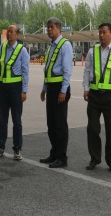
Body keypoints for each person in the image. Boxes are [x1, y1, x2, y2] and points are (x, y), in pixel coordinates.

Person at [83, 23, 111, 173]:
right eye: (100, 32)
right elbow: (87, 71)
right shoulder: (92, 51)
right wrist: (86, 88)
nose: (101, 35)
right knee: (92, 129)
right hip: (94, 96)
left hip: (110, 96)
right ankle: (94, 158)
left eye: (104, 32)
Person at [0, 24, 29, 161]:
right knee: (2, 120)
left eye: (11, 32)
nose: (9, 34)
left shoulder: (22, 50)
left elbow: (25, 72)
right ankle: (0, 147)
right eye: (8, 31)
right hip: (3, 88)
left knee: (17, 120)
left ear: (17, 35)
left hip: (15, 89)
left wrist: (24, 90)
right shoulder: (0, 49)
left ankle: (17, 148)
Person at [39, 17, 74, 168]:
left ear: (59, 28)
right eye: (48, 27)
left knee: (60, 124)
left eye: (52, 27)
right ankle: (54, 153)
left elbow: (67, 70)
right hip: (51, 88)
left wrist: (63, 91)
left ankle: (62, 157)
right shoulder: (51, 46)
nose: (49, 30)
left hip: (60, 89)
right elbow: (47, 70)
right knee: (51, 124)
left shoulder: (65, 45)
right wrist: (44, 88)